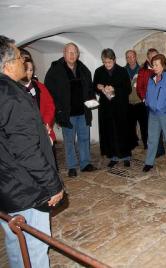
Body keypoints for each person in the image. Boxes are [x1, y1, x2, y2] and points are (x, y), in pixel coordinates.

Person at [0, 35, 64, 268]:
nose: (23, 61)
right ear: (7, 65)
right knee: (34, 246)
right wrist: (53, 185)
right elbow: (27, 151)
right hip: (24, 188)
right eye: (19, 57)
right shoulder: (14, 97)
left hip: (5, 187)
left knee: (15, 240)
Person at [44, 42, 97, 177]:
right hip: (67, 113)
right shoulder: (55, 71)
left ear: (78, 54)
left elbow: (89, 88)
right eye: (69, 52)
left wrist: (91, 99)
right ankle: (72, 166)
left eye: (74, 52)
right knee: (69, 140)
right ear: (64, 53)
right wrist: (58, 110)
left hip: (83, 112)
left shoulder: (83, 69)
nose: (72, 55)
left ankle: (85, 163)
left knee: (84, 138)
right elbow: (49, 93)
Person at [93, 48, 133, 168]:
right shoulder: (99, 71)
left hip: (121, 107)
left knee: (123, 131)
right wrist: (99, 87)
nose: (107, 65)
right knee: (109, 131)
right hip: (106, 108)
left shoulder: (122, 71)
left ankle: (126, 156)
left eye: (109, 62)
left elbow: (128, 89)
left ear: (114, 60)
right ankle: (113, 156)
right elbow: (94, 86)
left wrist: (114, 89)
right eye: (105, 62)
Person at [142, 54, 166, 172]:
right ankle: (149, 162)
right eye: (153, 65)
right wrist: (148, 102)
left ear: (163, 65)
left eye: (156, 65)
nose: (154, 67)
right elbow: (148, 93)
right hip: (153, 114)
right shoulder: (151, 79)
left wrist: (163, 106)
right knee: (152, 139)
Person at [20, 58, 58, 169]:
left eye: (31, 70)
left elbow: (50, 106)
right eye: (26, 69)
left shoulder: (39, 86)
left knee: (49, 164)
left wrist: (45, 123)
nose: (28, 73)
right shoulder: (15, 88)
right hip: (27, 133)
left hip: (44, 129)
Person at [125, 49, 144, 149]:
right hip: (128, 102)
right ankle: (132, 143)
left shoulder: (142, 70)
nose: (130, 59)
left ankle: (146, 144)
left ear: (136, 57)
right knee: (130, 125)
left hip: (140, 102)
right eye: (128, 57)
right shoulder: (123, 71)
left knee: (143, 125)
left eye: (132, 56)